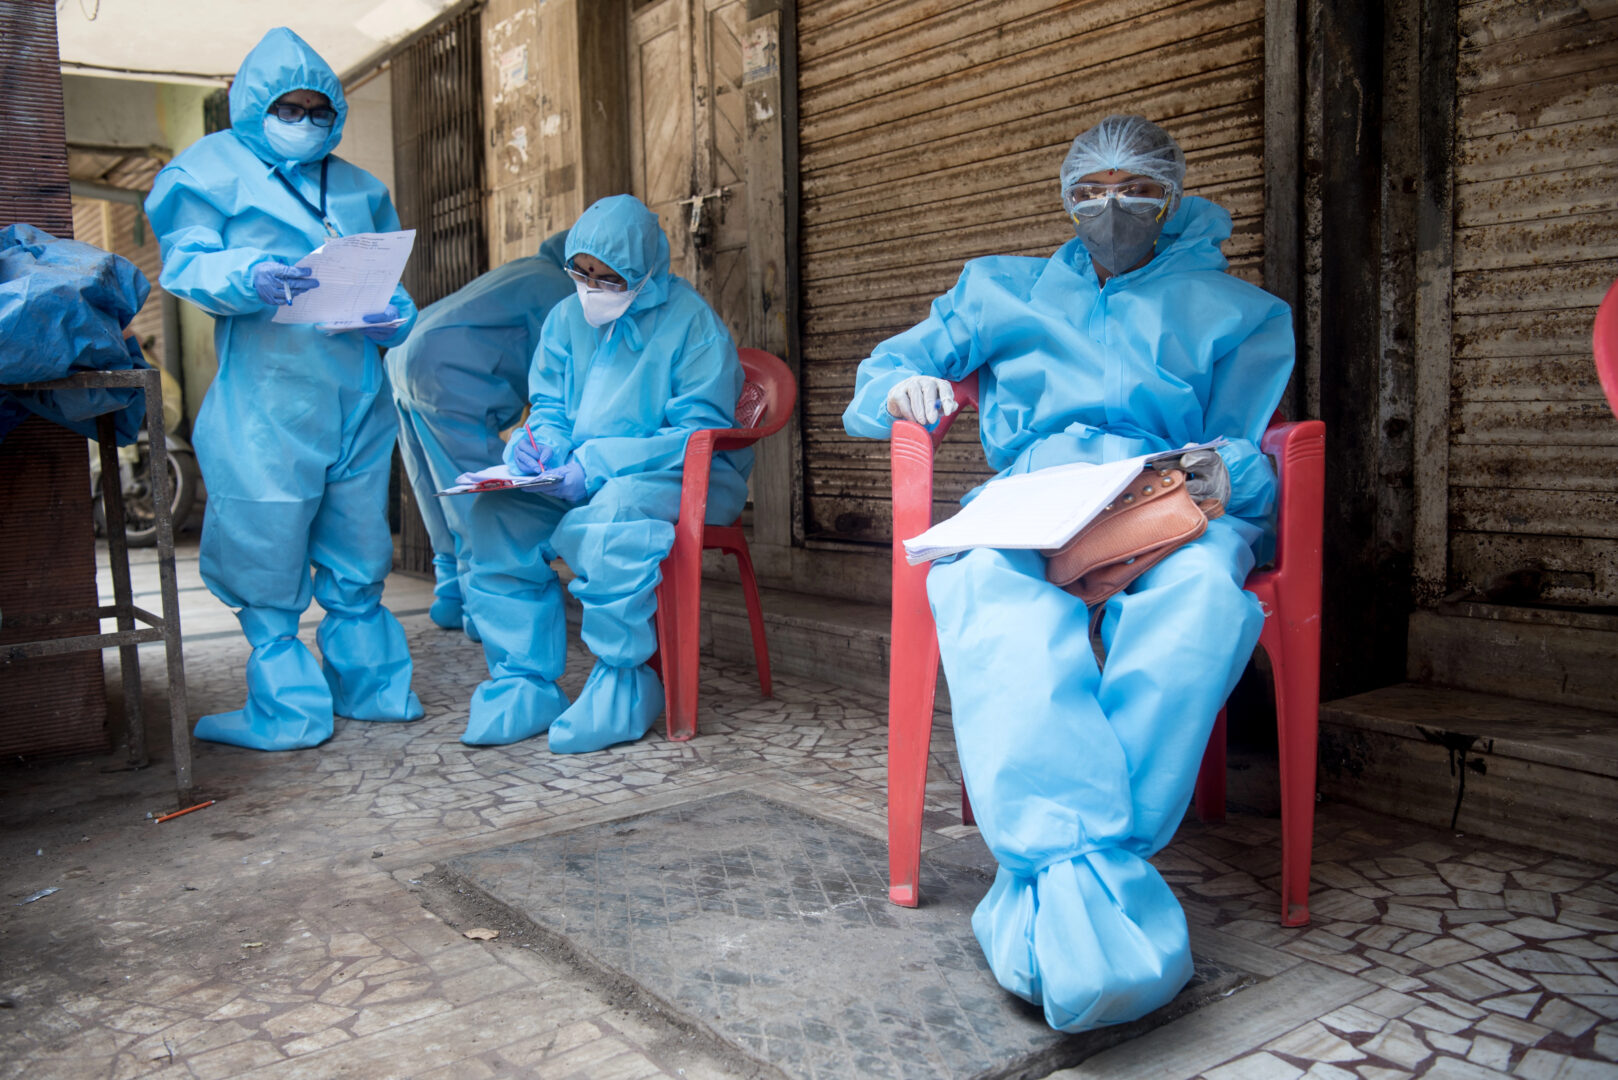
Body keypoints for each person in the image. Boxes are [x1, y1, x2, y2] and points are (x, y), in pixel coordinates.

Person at [842, 115, 1294, 1032]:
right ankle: (1079, 869)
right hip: (1033, 497)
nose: (1111, 207)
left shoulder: (1238, 310)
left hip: (1163, 499)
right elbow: (888, 367)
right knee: (986, 592)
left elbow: (1255, 448)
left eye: (1136, 189)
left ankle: (1078, 867)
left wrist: (1224, 473)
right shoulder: (999, 289)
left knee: (1202, 602)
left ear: (1172, 197)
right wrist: (899, 388)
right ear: (1064, 197)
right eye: (1090, 190)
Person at [146, 27, 421, 751]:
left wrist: (396, 315)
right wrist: (250, 276)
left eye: (318, 110)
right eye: (288, 109)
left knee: (358, 539)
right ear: (253, 106)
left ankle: (373, 688)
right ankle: (288, 707)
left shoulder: (358, 187)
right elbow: (187, 262)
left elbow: (390, 280)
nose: (305, 122)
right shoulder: (209, 171)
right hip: (268, 397)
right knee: (264, 541)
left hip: (357, 392)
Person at [460, 194, 752, 752]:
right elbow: (548, 405)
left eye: (608, 277)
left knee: (610, 520)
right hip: (576, 474)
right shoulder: (565, 318)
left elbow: (695, 434)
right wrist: (541, 446)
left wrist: (594, 465)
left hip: (681, 476)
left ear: (644, 270)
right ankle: (523, 682)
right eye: (582, 272)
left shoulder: (694, 325)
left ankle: (624, 683)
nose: (592, 288)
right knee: (499, 514)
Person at [386, 230, 575, 640]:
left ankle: (450, 593)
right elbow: (562, 377)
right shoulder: (561, 290)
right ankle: (483, 611)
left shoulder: (527, 269)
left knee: (433, 487)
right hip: (448, 373)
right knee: (476, 499)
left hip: (403, 356)